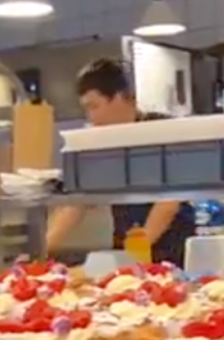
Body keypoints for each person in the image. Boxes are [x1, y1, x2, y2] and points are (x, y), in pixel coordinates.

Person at [41, 59, 189, 267]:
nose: (91, 117)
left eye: (94, 106)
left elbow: (170, 201)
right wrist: (41, 251)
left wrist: (137, 252)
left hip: (174, 254)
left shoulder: (163, 130)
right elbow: (76, 202)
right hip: (127, 248)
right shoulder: (101, 141)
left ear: (119, 98)